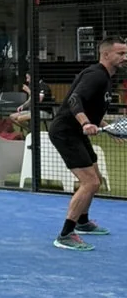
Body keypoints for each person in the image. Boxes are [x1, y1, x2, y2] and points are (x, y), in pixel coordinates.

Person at [48, 35, 127, 251]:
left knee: (96, 179)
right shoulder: (96, 76)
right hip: (65, 132)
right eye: (121, 53)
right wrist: (85, 123)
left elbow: (92, 107)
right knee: (90, 182)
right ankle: (65, 234)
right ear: (106, 54)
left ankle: (83, 222)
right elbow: (75, 99)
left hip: (76, 132)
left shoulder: (106, 77)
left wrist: (107, 127)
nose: (125, 57)